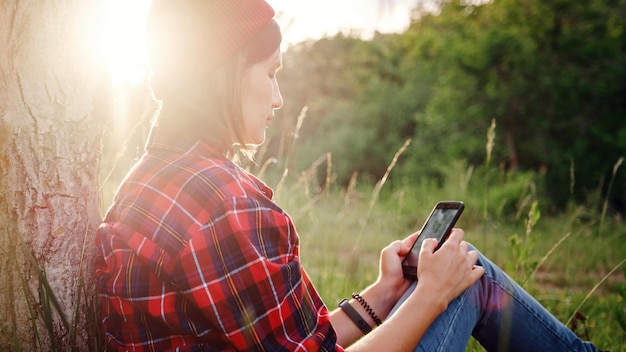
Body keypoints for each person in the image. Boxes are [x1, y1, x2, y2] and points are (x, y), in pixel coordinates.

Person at [94, 0, 601, 351]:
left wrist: (384, 292)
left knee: (449, 272)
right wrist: (429, 294)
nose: (278, 98)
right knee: (465, 277)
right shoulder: (224, 201)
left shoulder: (146, 181)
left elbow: (288, 342)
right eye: (270, 74)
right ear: (223, 74)